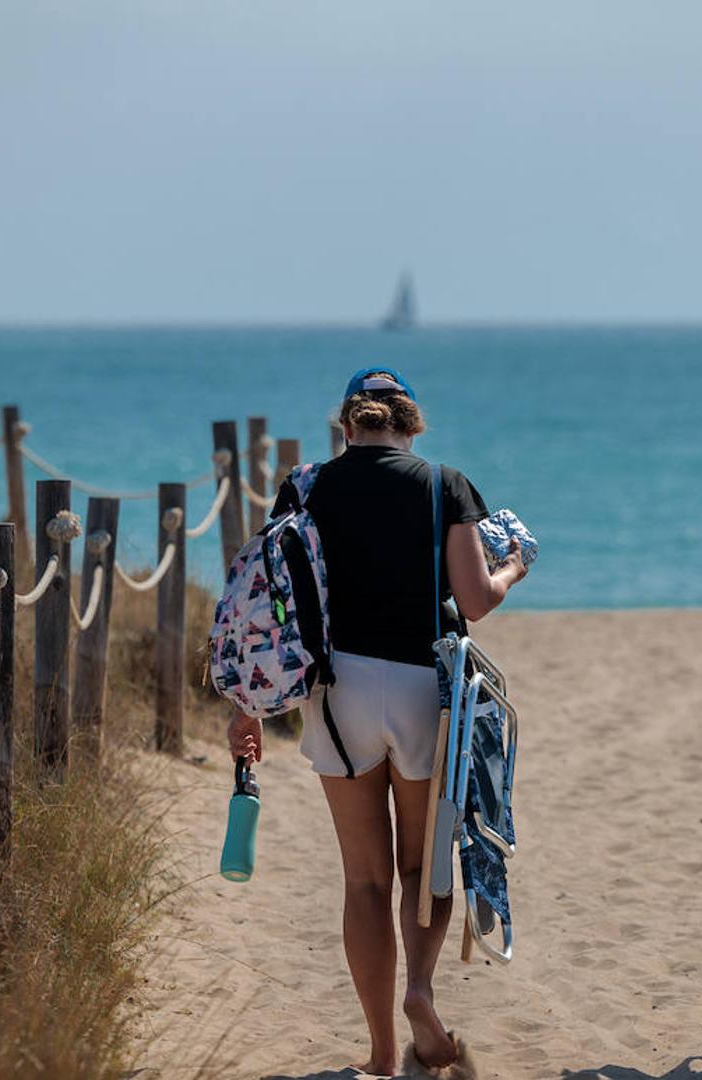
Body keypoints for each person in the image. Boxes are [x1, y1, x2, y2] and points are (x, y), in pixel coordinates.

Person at [228, 367, 527, 1079]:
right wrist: (511, 568)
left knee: (364, 880)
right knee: (423, 869)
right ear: (410, 424)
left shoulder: (308, 487)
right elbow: (475, 600)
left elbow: (265, 601)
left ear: (347, 426)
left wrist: (247, 709)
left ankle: (381, 1054)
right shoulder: (442, 483)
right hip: (424, 685)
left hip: (338, 691)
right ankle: (420, 995)